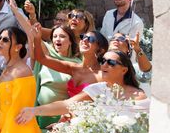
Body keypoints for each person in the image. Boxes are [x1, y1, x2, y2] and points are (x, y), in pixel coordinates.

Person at [16, 50, 149, 124]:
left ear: (124, 70)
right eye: (103, 61)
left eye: (111, 62)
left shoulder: (138, 96)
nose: (104, 65)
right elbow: (66, 104)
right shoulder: (98, 89)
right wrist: (34, 111)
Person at [0, 27, 41, 133]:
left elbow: (20, 113)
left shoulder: (22, 72)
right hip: (6, 130)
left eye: (5, 40)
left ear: (18, 47)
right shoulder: (8, 68)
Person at [32, 24, 107, 97]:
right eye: (83, 37)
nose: (84, 40)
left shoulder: (104, 75)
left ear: (100, 50)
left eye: (91, 39)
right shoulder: (73, 68)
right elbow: (41, 58)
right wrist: (37, 38)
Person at [32, 25, 80, 132]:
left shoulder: (77, 64)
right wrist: (16, 11)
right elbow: (31, 32)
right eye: (54, 36)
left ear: (71, 41)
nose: (57, 39)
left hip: (61, 117)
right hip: (41, 114)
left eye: (62, 36)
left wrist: (64, 120)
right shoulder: (47, 57)